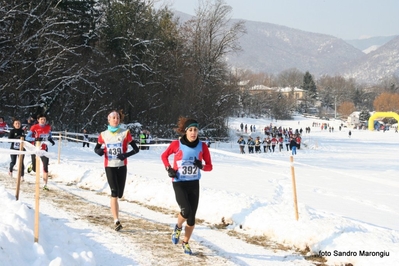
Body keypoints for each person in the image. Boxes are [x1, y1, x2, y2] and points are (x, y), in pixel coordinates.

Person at [161, 117, 213, 255]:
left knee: (191, 218)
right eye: (190, 130)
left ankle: (186, 242)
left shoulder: (202, 146)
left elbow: (209, 167)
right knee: (186, 210)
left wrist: (200, 165)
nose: (193, 132)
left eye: (195, 130)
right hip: (179, 182)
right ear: (185, 131)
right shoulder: (176, 144)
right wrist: (169, 169)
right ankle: (178, 227)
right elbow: (164, 156)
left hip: (194, 183)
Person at [94, 110, 139, 231]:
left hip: (122, 166)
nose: (116, 119)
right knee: (114, 192)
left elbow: (136, 149)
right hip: (109, 166)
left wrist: (125, 155)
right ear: (108, 120)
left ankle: (116, 215)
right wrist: (99, 152)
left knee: (120, 193)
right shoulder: (103, 134)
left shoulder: (125, 133)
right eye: (113, 118)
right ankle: (116, 221)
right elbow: (96, 148)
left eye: (118, 118)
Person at [25, 114, 55, 190]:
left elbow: (49, 135)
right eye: (41, 119)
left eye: (44, 119)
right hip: (35, 148)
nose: (43, 121)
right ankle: (32, 165)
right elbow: (27, 137)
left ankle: (45, 184)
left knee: (45, 166)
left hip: (44, 149)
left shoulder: (48, 127)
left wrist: (51, 140)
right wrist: (35, 139)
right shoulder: (34, 127)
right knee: (35, 169)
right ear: (38, 120)